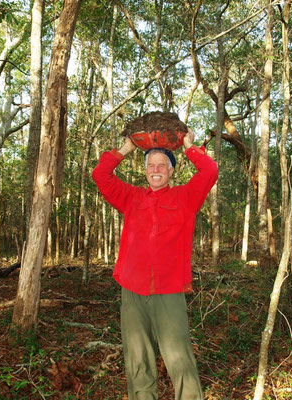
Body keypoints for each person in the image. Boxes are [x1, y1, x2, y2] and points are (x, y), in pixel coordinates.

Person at [92, 126, 218, 400]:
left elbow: (209, 172)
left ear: (171, 170)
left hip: (169, 291)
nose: (156, 169)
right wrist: (125, 149)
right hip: (132, 290)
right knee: (138, 362)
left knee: (180, 360)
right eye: (151, 165)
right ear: (145, 169)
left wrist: (188, 146)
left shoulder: (185, 198)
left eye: (162, 165)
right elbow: (100, 175)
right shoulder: (132, 197)